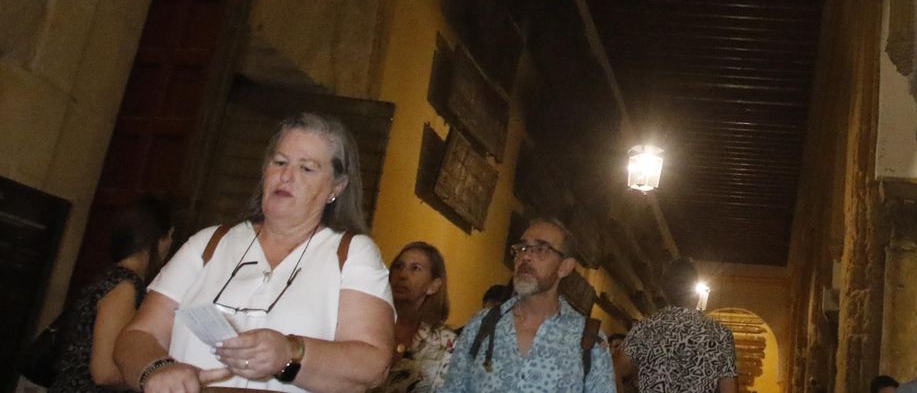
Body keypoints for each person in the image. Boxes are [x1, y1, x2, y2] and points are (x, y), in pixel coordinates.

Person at [115, 113, 395, 393]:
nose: (286, 176)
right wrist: (155, 368)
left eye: (306, 168)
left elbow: (372, 365)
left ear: (336, 187)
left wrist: (290, 353)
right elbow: (137, 336)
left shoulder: (352, 254)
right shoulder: (209, 243)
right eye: (280, 162)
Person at [436, 217, 613, 393]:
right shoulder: (482, 324)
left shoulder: (588, 338)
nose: (526, 256)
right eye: (521, 248)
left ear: (565, 267)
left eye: (541, 249)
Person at [48, 196, 175, 393]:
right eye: (169, 236)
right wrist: (154, 377)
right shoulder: (124, 286)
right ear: (155, 240)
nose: (170, 244)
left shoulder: (111, 277)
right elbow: (105, 372)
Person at [618, 257, 737, 393]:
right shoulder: (720, 334)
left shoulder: (645, 328)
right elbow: (729, 389)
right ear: (695, 293)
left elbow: (613, 370)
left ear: (665, 292)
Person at [374, 242, 456, 393]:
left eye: (415, 269)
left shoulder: (445, 342)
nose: (403, 275)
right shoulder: (367, 321)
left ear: (434, 285)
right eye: (399, 266)